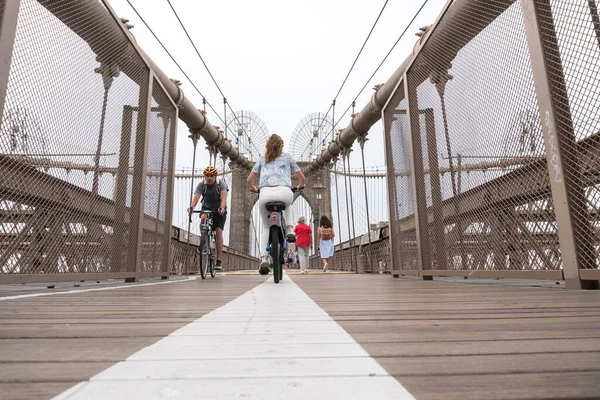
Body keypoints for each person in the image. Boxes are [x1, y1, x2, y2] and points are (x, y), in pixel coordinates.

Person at [247, 134, 306, 275]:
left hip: (265, 194)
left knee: (266, 227)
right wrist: (300, 186)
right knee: (288, 202)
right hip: (284, 192)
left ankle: (264, 258)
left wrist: (255, 189)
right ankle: (290, 230)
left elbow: (249, 181)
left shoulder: (262, 159)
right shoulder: (288, 157)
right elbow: (302, 178)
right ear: (281, 145)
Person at [187, 166, 228, 270]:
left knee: (218, 231)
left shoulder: (221, 184)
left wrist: (222, 208)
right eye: (207, 176)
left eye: (211, 176)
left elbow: (223, 198)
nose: (209, 178)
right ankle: (204, 239)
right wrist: (191, 207)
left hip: (219, 208)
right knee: (203, 218)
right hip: (207, 206)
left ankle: (218, 261)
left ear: (215, 176)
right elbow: (196, 197)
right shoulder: (202, 185)